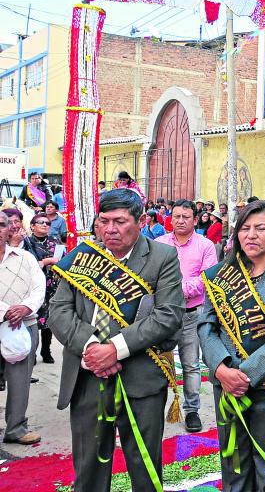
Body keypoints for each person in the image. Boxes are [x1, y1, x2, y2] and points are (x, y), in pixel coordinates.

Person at [49, 189, 184, 492]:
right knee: (88, 469)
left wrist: (114, 350)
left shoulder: (162, 257)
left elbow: (167, 316)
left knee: (144, 467)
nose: (110, 229)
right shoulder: (83, 256)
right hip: (86, 376)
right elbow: (58, 311)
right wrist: (92, 349)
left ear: (141, 221)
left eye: (120, 221)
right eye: (104, 221)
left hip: (141, 379)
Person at [198, 202, 265, 492]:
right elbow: (206, 326)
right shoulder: (219, 275)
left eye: (260, 228)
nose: (251, 235)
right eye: (244, 228)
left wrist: (243, 374)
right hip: (226, 383)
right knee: (233, 465)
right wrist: (222, 369)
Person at [156, 200, 218, 433]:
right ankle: (156, 407)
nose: (180, 221)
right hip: (162, 314)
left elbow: (207, 279)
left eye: (186, 217)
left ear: (195, 219)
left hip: (192, 314)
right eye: (176, 216)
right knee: (159, 363)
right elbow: (152, 276)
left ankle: (192, 410)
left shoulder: (206, 246)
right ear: (170, 219)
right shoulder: (159, 243)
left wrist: (176, 289)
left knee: (191, 364)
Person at [0, 211, 45, 445]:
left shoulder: (24, 258)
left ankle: (16, 428)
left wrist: (25, 308)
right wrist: (6, 311)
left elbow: (39, 288)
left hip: (23, 326)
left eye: (1, 225)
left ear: (10, 229)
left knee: (20, 381)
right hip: (7, 319)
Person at [24, 213, 62, 364]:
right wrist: (46, 261)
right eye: (41, 222)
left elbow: (61, 259)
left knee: (49, 320)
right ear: (32, 226)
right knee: (32, 320)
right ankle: (31, 353)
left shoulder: (55, 241)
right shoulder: (26, 242)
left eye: (47, 223)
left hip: (52, 285)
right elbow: (28, 264)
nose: (45, 225)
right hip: (34, 286)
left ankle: (46, 350)